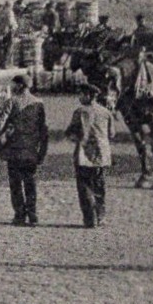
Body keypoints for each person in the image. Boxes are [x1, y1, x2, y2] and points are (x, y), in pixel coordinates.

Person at [0, 75, 48, 225]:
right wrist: (42, 151)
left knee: (15, 183)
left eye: (15, 84)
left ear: (21, 86)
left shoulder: (12, 102)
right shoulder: (39, 104)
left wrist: (2, 137)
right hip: (31, 150)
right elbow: (43, 130)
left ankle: (19, 215)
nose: (13, 87)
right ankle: (33, 214)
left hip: (14, 150)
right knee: (30, 182)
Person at [65, 83, 114, 228]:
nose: (79, 97)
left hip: (84, 154)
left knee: (84, 186)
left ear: (88, 95)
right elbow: (112, 134)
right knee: (99, 185)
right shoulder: (106, 112)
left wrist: (77, 138)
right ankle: (101, 217)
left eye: (81, 94)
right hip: (102, 154)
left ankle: (89, 219)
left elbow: (70, 132)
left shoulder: (80, 112)